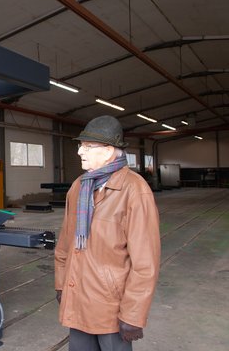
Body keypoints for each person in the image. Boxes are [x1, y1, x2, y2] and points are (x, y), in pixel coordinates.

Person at [54, 115, 160, 351]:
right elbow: (65, 244)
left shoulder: (134, 190)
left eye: (88, 146)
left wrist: (133, 314)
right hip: (78, 298)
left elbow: (145, 263)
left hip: (111, 307)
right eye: (80, 145)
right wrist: (62, 284)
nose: (80, 152)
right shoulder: (79, 186)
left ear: (109, 150)